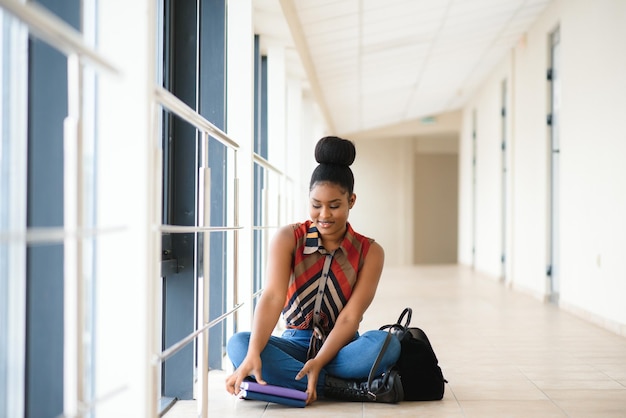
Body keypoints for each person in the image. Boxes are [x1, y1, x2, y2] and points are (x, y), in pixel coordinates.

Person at [225, 136, 401, 405]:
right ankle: (341, 387)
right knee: (239, 344)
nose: (324, 215)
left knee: (387, 344)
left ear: (351, 201)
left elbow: (350, 317)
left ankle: (302, 380)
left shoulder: (370, 252)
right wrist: (252, 353)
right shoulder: (288, 238)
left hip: (341, 347)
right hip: (294, 343)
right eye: (316, 205)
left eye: (334, 206)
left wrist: (319, 361)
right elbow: (272, 297)